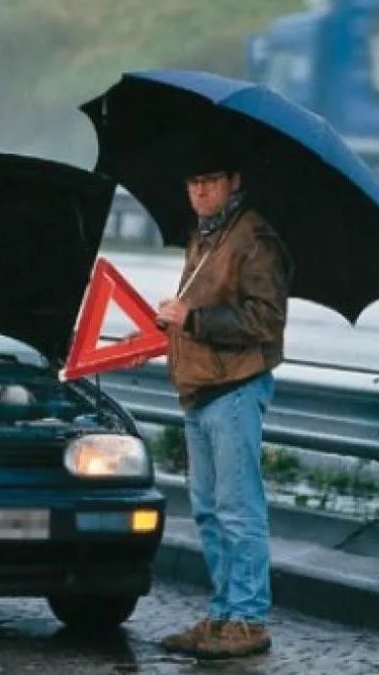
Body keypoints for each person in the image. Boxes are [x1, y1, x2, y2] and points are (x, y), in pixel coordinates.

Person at [154, 142, 291, 660]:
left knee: (238, 510)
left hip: (235, 389)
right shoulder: (206, 235)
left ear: (234, 181)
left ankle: (248, 618)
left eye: (210, 181)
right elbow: (199, 310)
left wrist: (192, 319)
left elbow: (266, 321)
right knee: (210, 513)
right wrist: (171, 323)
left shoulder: (254, 238)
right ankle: (223, 615)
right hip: (200, 390)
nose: (200, 191)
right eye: (193, 183)